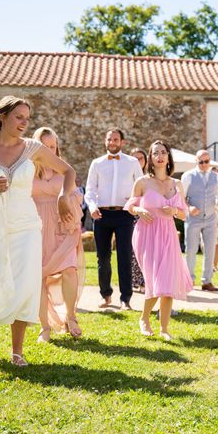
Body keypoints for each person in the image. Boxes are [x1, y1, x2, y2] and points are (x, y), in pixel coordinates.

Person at [0, 96, 76, 366]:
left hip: (26, 227)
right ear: (2, 117)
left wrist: (63, 196)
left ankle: (17, 350)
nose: (25, 123)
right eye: (19, 117)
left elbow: (68, 171)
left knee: (24, 286)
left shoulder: (33, 148)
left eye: (27, 118)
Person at [125, 140, 192, 340]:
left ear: (168, 157)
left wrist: (174, 210)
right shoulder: (143, 182)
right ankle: (144, 318)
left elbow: (184, 215)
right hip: (146, 233)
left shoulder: (177, 184)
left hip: (168, 233)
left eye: (163, 152)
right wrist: (139, 209)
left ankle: (164, 329)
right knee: (155, 279)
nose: (160, 156)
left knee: (168, 282)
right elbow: (130, 205)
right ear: (151, 158)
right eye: (155, 153)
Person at [32, 127, 85, 342]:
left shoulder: (64, 172)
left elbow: (73, 197)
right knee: (39, 278)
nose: (50, 150)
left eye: (53, 146)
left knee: (69, 270)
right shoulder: (27, 170)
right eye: (45, 146)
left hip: (62, 225)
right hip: (35, 226)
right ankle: (45, 327)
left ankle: (70, 316)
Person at [85, 129, 144, 310]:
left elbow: (141, 187)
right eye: (109, 139)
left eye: (116, 139)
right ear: (105, 141)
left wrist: (134, 202)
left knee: (124, 256)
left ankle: (125, 299)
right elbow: (90, 190)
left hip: (125, 214)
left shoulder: (133, 162)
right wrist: (92, 207)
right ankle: (106, 295)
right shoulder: (97, 163)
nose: (112, 142)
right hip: (101, 214)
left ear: (122, 142)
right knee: (102, 258)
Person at [181, 149, 218, 291]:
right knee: (191, 250)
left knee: (210, 250)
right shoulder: (188, 176)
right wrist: (189, 207)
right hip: (193, 219)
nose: (204, 164)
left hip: (211, 217)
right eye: (201, 162)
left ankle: (207, 281)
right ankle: (189, 280)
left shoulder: (215, 176)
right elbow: (180, 198)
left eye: (206, 161)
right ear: (196, 161)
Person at [129, 147, 148, 293]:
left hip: (145, 216)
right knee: (131, 249)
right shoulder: (128, 176)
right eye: (134, 158)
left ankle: (143, 281)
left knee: (144, 249)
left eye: (140, 158)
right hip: (130, 215)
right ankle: (133, 281)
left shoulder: (149, 178)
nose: (137, 161)